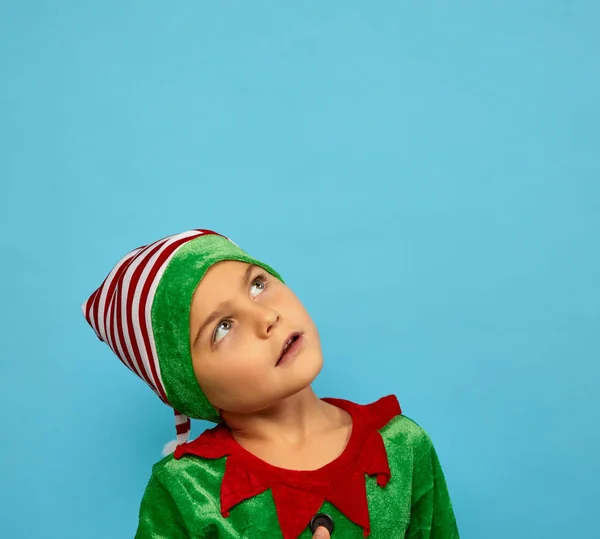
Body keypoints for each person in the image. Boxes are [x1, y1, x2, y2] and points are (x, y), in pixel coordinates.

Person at [82, 228, 460, 538]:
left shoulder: (403, 446)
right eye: (222, 328)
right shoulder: (187, 490)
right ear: (189, 387)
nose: (266, 318)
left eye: (258, 285)